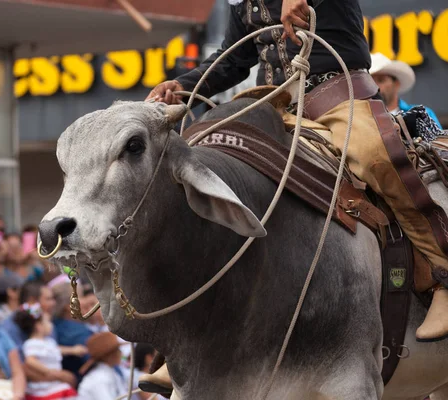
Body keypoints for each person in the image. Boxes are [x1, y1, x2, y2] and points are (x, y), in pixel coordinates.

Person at [145, 0, 448, 391]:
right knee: (205, 155)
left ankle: (442, 275)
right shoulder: (245, 5)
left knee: (377, 157)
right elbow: (232, 59)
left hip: (339, 93)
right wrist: (184, 85)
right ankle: (190, 341)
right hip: (278, 102)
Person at [14, 303, 77, 400]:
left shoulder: (49, 341)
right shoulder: (32, 343)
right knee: (67, 390)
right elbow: (30, 360)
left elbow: (57, 349)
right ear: (38, 326)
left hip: (55, 382)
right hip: (44, 386)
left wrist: (73, 350)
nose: (50, 325)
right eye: (47, 322)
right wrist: (48, 371)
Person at [370, 52, 442, 128]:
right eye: (370, 81)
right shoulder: (359, 117)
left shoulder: (422, 115)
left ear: (396, 84)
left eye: (381, 80)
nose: (375, 85)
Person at [77, 332, 127, 400]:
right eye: (117, 350)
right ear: (109, 356)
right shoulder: (99, 379)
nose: (121, 353)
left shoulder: (111, 373)